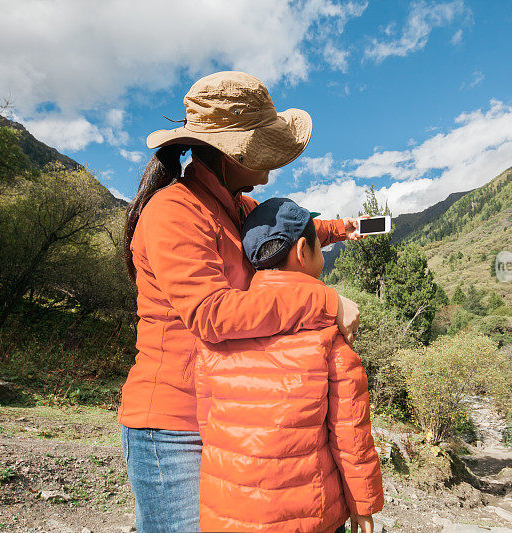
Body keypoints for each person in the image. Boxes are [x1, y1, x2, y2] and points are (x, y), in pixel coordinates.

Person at [118, 72, 363, 532]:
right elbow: (211, 315)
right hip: (172, 428)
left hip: (221, 414)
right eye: (266, 150)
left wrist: (338, 229)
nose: (273, 164)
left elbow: (284, 235)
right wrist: (325, 303)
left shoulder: (236, 208)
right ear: (235, 153)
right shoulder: (174, 211)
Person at [196, 198, 384, 533]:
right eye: (317, 243)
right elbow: (349, 431)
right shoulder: (327, 332)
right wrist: (363, 505)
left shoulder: (219, 335)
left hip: (227, 515)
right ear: (302, 251)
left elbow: (207, 424)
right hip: (308, 516)